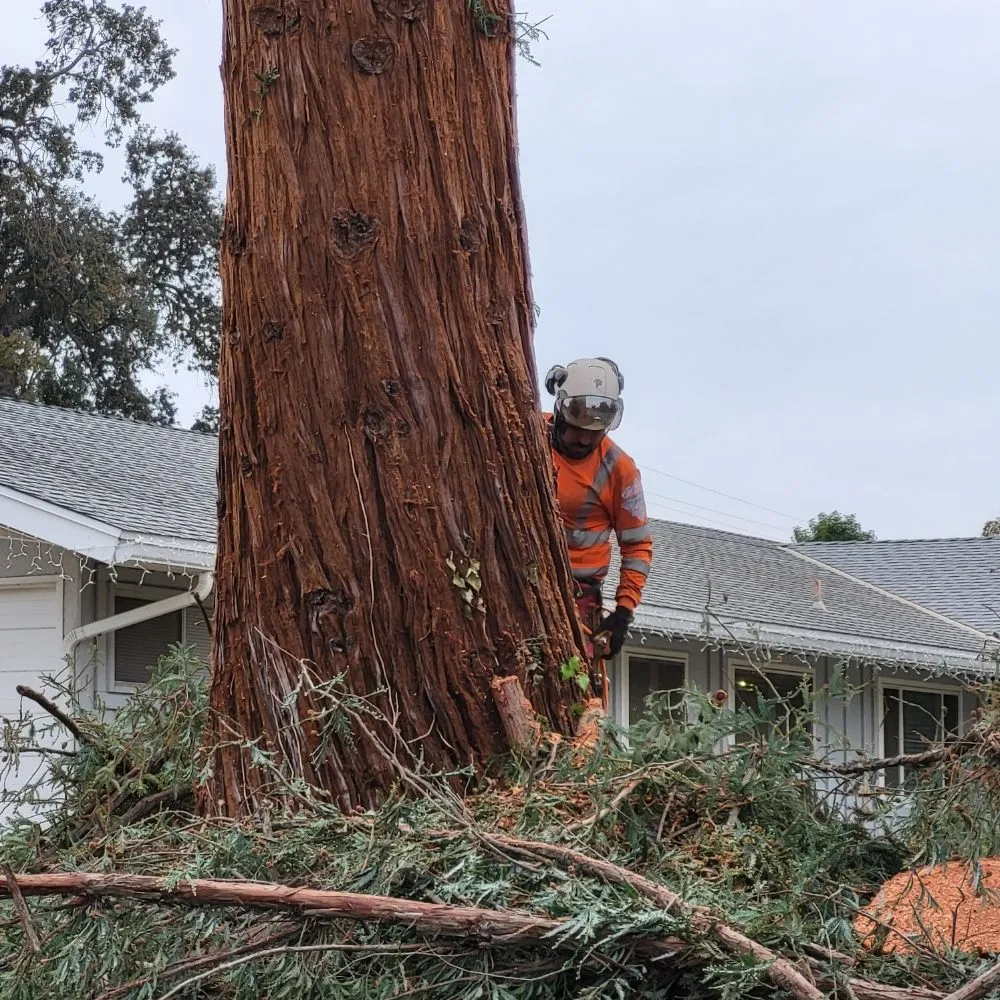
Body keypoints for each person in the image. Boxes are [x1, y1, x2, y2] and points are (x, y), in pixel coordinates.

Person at [544, 357, 653, 667]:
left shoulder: (620, 470)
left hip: (578, 594)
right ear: (561, 410)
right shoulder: (526, 437)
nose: (584, 440)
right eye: (577, 429)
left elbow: (637, 545)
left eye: (595, 433)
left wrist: (623, 613)